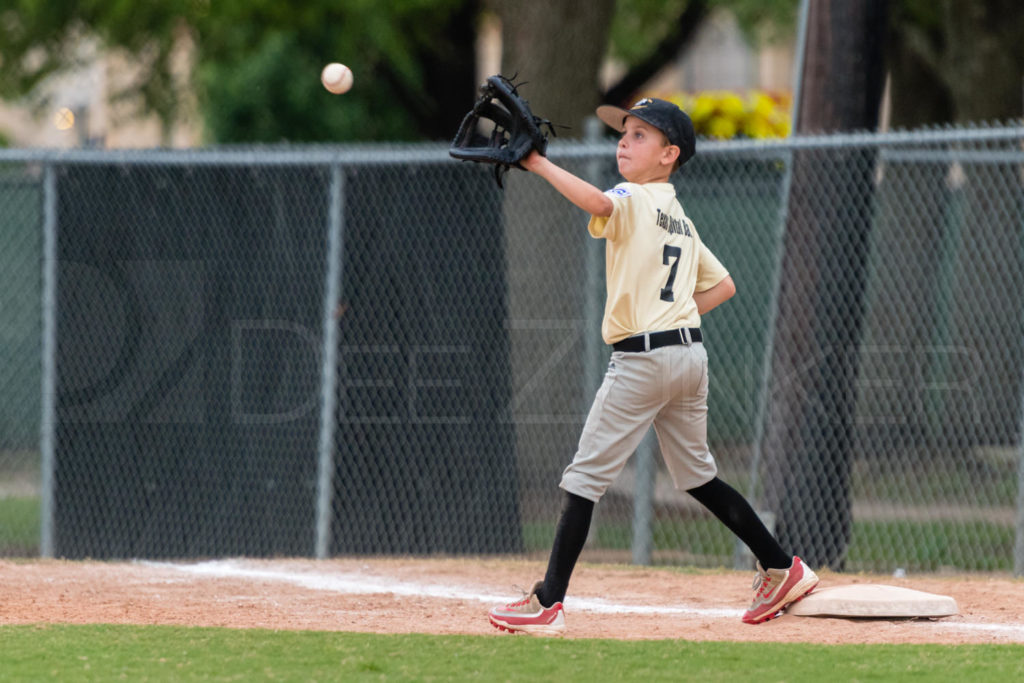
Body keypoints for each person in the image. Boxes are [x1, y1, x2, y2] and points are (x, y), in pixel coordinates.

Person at [488, 98, 818, 636]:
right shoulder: (681, 221)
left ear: (669, 155)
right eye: (624, 132)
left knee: (584, 476)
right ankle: (782, 567)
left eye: (641, 135)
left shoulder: (634, 198)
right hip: (688, 356)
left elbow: (598, 202)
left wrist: (538, 164)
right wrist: (677, 316)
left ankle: (548, 601)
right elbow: (725, 286)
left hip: (643, 360)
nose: (624, 140)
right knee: (698, 475)